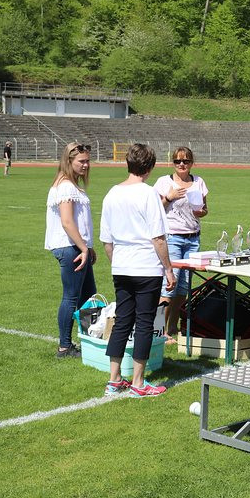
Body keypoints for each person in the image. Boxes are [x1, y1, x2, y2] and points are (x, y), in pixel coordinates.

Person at [99, 143, 176, 398]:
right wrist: (168, 269)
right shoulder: (148, 194)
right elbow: (158, 238)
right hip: (145, 267)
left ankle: (114, 379)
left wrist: (117, 262)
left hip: (121, 266)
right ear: (150, 167)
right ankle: (139, 382)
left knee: (122, 320)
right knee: (143, 322)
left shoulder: (112, 193)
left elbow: (106, 240)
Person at [45, 142, 96, 358]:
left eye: (87, 161)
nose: (86, 165)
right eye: (81, 161)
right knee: (71, 297)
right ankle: (65, 347)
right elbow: (67, 221)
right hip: (70, 248)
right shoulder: (65, 186)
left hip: (77, 247)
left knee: (88, 296)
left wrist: (88, 247)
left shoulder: (69, 185)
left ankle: (90, 340)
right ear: (69, 161)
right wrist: (84, 247)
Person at [153, 146, 209, 345]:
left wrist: (199, 211)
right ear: (173, 163)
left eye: (185, 161)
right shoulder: (164, 182)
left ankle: (173, 328)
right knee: (169, 285)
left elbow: (205, 210)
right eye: (177, 161)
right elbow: (154, 208)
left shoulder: (199, 182)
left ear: (192, 163)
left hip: (193, 238)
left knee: (184, 287)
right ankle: (158, 331)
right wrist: (169, 197)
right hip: (172, 237)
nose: (182, 164)